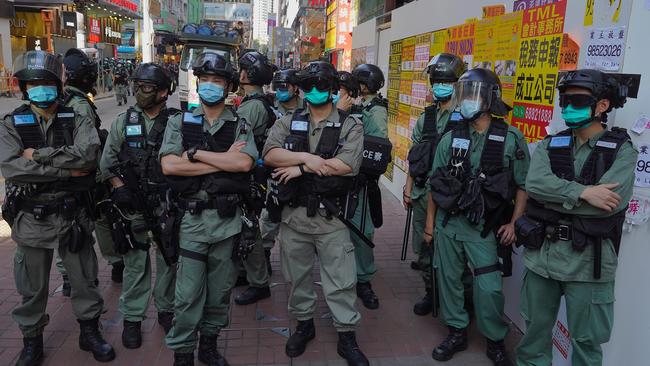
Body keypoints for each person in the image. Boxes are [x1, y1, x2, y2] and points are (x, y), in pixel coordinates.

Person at [0, 50, 115, 365]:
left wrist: (36, 156)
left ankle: (89, 332)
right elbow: (10, 167)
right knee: (31, 287)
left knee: (84, 279)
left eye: (46, 82)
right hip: (30, 217)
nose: (40, 88)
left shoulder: (76, 116)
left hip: (71, 215)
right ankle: (31, 341)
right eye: (32, 83)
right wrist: (65, 169)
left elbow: (88, 156)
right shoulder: (11, 122)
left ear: (58, 84)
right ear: (23, 87)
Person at [514, 69, 636, 366]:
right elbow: (535, 185)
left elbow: (608, 205)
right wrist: (584, 194)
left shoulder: (621, 151)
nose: (567, 106)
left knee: (586, 343)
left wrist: (556, 199)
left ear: (603, 105)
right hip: (543, 257)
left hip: (589, 264)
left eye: (577, 100)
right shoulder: (550, 144)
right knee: (533, 339)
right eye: (564, 100)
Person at [263, 60, 369, 365]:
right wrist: (308, 159)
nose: (314, 91)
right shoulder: (287, 121)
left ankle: (346, 336)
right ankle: (304, 326)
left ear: (333, 88)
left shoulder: (351, 125)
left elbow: (348, 164)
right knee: (297, 279)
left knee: (341, 280)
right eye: (308, 85)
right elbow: (270, 154)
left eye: (321, 85)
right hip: (294, 218)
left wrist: (296, 166)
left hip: (331, 219)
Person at [425, 68, 530, 365]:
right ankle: (457, 331)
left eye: (474, 94)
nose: (468, 100)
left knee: (488, 288)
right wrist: (431, 226)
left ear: (490, 98)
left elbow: (523, 185)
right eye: (465, 93)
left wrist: (514, 222)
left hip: (485, 227)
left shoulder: (510, 138)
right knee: (449, 281)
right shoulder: (451, 138)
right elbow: (436, 183)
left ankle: (495, 340)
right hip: (449, 223)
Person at [160, 51, 257, 366]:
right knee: (187, 295)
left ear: (228, 86)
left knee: (219, 292)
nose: (211, 85)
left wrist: (196, 155)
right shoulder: (180, 121)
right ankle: (184, 352)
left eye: (217, 80)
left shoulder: (240, 124)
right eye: (205, 80)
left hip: (227, 223)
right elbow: (170, 167)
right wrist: (220, 162)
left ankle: (209, 346)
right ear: (197, 83)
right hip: (191, 222)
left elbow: (242, 163)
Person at [100, 63, 179, 348]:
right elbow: (106, 163)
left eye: (146, 88)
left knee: (169, 260)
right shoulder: (124, 121)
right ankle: (132, 318)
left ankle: (166, 311)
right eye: (137, 86)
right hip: (132, 206)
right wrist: (119, 188)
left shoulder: (176, 121)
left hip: (167, 205)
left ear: (162, 92)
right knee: (135, 265)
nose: (139, 93)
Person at [404, 53, 465, 316]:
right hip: (422, 193)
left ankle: (457, 302)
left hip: (453, 199)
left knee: (454, 255)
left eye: (446, 81)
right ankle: (431, 293)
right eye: (437, 80)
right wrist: (408, 188)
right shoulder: (425, 118)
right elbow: (414, 155)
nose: (440, 85)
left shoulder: (466, 115)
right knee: (425, 250)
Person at [61, 48, 125, 290]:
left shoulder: (64, 99)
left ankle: (70, 276)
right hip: (86, 174)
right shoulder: (79, 103)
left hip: (68, 173)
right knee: (98, 219)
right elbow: (88, 145)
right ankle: (104, 267)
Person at [233, 50, 275, 305]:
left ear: (247, 74)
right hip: (251, 173)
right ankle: (244, 272)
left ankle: (259, 282)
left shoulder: (252, 107)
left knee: (248, 228)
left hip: (248, 174)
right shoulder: (259, 102)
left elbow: (239, 143)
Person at [348, 63, 389, 309]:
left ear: (364, 84)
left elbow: (377, 149)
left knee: (363, 231)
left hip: (363, 180)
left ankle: (364, 279)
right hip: (351, 177)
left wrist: (364, 174)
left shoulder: (375, 112)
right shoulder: (363, 106)